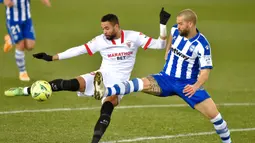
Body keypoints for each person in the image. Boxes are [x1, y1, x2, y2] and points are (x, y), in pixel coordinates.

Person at [4, 8, 171, 143]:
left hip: (120, 83)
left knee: (107, 108)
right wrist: (52, 57)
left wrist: (162, 24)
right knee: (69, 84)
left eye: (107, 28)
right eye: (102, 28)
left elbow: (160, 44)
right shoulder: (101, 40)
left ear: (116, 26)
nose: (104, 31)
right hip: (101, 75)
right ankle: (25, 90)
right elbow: (79, 50)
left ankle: (94, 140)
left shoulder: (133, 37)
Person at [93, 9, 232, 143]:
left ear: (190, 24)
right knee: (139, 83)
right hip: (165, 78)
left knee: (216, 118)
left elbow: (205, 72)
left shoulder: (202, 45)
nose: (177, 26)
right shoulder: (175, 30)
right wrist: (167, 50)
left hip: (187, 85)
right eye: (177, 23)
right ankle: (105, 91)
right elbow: (171, 36)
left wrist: (195, 87)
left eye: (180, 24)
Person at [1, 0, 51, 81]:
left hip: (27, 19)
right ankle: (22, 72)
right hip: (13, 21)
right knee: (21, 45)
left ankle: (11, 39)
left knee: (30, 46)